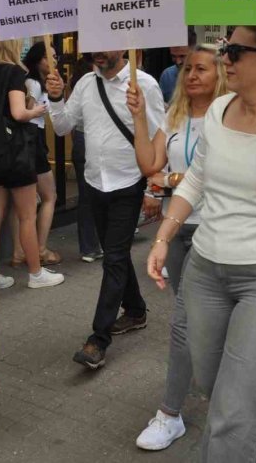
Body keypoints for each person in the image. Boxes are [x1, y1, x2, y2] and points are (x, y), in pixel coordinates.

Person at [147, 26, 256, 461]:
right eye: (227, 49)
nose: (226, 57)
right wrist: (164, 235)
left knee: (229, 416)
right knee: (213, 387)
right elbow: (197, 177)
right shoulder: (219, 109)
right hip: (206, 272)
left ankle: (246, 421)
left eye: (237, 51)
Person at [127, 45, 227, 451]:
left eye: (201, 69)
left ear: (219, 73)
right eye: (188, 69)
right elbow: (149, 164)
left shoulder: (229, 116)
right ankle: (180, 410)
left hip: (216, 231)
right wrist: (137, 118)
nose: (192, 76)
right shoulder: (175, 115)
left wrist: (171, 181)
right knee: (188, 322)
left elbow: (215, 175)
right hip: (178, 228)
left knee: (198, 323)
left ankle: (185, 408)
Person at [47, 50, 166, 370]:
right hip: (93, 185)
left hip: (128, 185)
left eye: (104, 44)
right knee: (118, 254)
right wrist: (55, 98)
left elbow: (160, 137)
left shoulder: (145, 85)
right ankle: (137, 310)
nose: (96, 52)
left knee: (113, 258)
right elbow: (62, 127)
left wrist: (156, 189)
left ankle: (98, 339)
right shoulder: (86, 84)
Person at [0, 33, 64, 292]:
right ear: (13, 45)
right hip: (16, 152)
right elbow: (18, 113)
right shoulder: (15, 73)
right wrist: (36, 111)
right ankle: (36, 273)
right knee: (27, 215)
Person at [9, 42, 61, 266]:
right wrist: (36, 110)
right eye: (50, 56)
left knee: (20, 203)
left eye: (56, 56)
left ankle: (19, 251)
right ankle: (39, 248)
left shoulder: (36, 82)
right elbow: (26, 111)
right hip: (33, 141)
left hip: (28, 142)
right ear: (40, 60)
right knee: (50, 196)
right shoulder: (33, 83)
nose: (55, 60)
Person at [70, 54, 103, 263]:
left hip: (80, 138)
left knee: (86, 195)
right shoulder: (89, 87)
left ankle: (90, 246)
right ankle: (93, 245)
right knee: (94, 194)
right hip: (88, 139)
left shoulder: (77, 88)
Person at [158, 30, 197, 104]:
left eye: (182, 56)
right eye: (173, 56)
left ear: (194, 50)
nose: (178, 61)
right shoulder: (167, 76)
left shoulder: (207, 76)